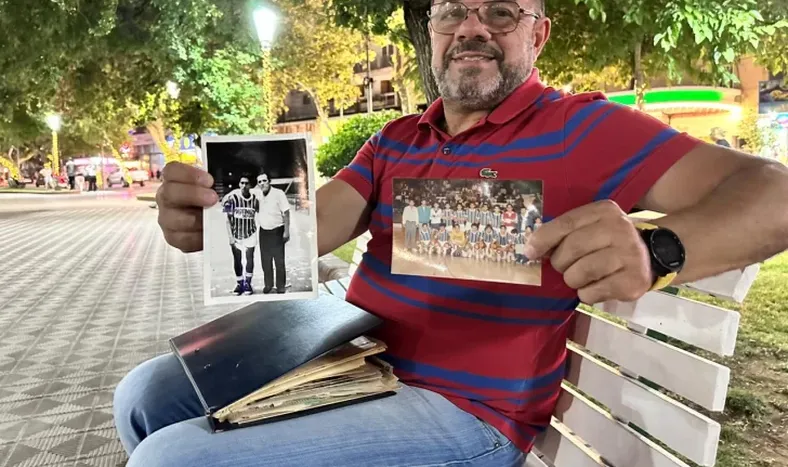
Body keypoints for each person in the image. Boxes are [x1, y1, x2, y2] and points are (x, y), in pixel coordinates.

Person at [123, 1, 788, 466]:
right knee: (145, 394)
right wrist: (212, 222)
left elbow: (774, 191)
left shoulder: (588, 128)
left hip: (469, 415)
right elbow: (306, 229)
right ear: (431, 32)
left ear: (540, 34)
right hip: (358, 369)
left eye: (501, 11)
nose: (473, 27)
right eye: (452, 12)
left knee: (171, 458)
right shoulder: (396, 139)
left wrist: (657, 249)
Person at [251, 172, 290, 295]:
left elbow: (286, 213)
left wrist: (287, 231)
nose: (262, 183)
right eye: (260, 182)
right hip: (264, 232)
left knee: (279, 260)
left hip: (277, 230)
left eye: (264, 181)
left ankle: (280, 286)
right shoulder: (259, 196)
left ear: (269, 181)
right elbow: (256, 209)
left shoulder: (279, 194)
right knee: (265, 260)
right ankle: (268, 284)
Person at [222, 176, 259, 295]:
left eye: (246, 183)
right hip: (236, 234)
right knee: (237, 259)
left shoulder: (255, 199)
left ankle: (248, 283)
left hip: (250, 233)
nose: (244, 185)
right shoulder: (232, 198)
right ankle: (239, 283)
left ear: (250, 186)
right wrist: (230, 237)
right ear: (239, 184)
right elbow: (227, 218)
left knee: (249, 258)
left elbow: (262, 210)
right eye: (242, 183)